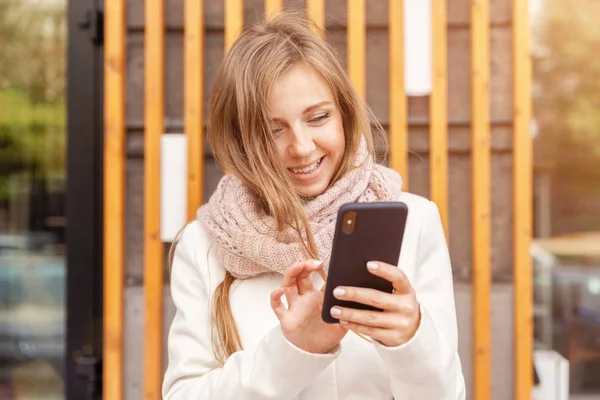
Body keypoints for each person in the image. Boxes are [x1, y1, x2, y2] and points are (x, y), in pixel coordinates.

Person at [162, 12, 465, 400]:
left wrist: (411, 338)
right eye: (273, 130)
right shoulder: (203, 245)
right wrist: (294, 351)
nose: (302, 147)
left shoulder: (414, 220)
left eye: (318, 117)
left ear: (344, 114)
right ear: (240, 140)